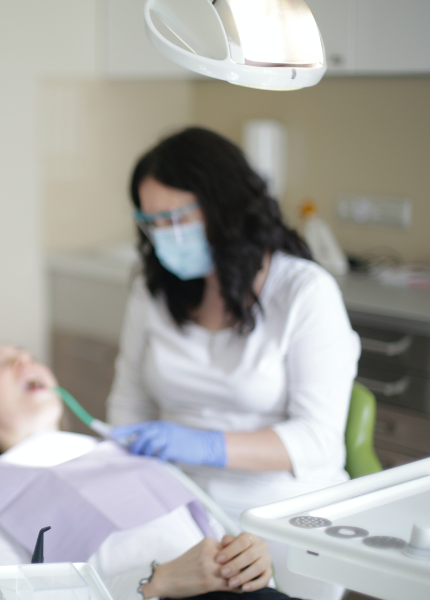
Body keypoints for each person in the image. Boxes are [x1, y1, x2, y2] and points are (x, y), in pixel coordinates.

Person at [106, 127, 359, 600]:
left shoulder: (305, 291)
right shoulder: (151, 289)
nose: (165, 236)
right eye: (152, 222)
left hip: (282, 511)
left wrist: (205, 445)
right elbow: (129, 402)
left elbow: (318, 439)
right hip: (175, 502)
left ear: (225, 207)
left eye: (177, 218)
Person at [0, 343, 297, 600]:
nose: (23, 362)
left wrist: (248, 562)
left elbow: (217, 536)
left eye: (29, 356)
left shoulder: (123, 451)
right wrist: (156, 582)